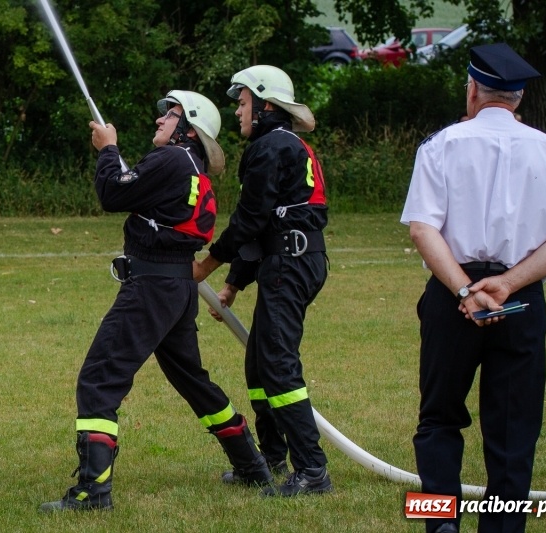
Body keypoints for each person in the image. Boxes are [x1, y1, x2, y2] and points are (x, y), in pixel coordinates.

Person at [40, 90, 273, 512]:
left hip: (151, 288)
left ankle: (93, 492)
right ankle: (252, 466)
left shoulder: (171, 159)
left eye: (171, 114)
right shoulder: (189, 167)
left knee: (100, 377)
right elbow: (134, 193)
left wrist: (108, 149)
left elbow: (112, 194)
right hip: (176, 289)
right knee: (193, 381)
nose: (160, 119)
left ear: (190, 128)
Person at [401, 43, 546, 533]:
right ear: (518, 98)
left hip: (452, 292)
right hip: (521, 296)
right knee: (515, 430)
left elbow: (423, 229)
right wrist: (508, 284)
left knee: (437, 419)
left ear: (473, 89)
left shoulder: (441, 144)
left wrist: (465, 291)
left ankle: (440, 525)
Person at [193, 65, 332, 497]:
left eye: (242, 102)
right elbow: (267, 225)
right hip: (290, 258)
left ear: (265, 104)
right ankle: (271, 459)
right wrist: (234, 283)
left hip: (290, 263)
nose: (238, 111)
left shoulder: (270, 146)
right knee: (259, 364)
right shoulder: (287, 144)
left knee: (277, 364)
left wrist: (207, 265)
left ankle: (312, 470)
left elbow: (250, 219)